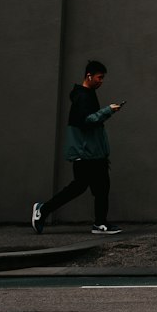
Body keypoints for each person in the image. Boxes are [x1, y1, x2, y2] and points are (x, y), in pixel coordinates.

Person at [31, 60, 124, 235]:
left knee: (91, 187)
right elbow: (87, 121)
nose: (101, 81)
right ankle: (45, 210)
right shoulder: (83, 97)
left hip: (92, 153)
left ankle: (98, 223)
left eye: (103, 78)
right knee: (91, 187)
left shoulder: (86, 94)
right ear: (89, 76)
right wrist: (108, 110)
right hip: (87, 154)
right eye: (99, 77)